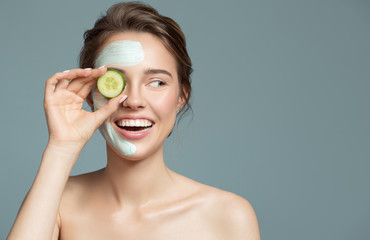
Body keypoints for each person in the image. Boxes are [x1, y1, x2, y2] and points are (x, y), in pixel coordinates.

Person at [7, 2, 260, 239]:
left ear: (182, 95)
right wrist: (62, 147)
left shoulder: (228, 216)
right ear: (92, 96)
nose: (134, 101)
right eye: (115, 82)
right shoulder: (57, 204)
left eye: (157, 82)